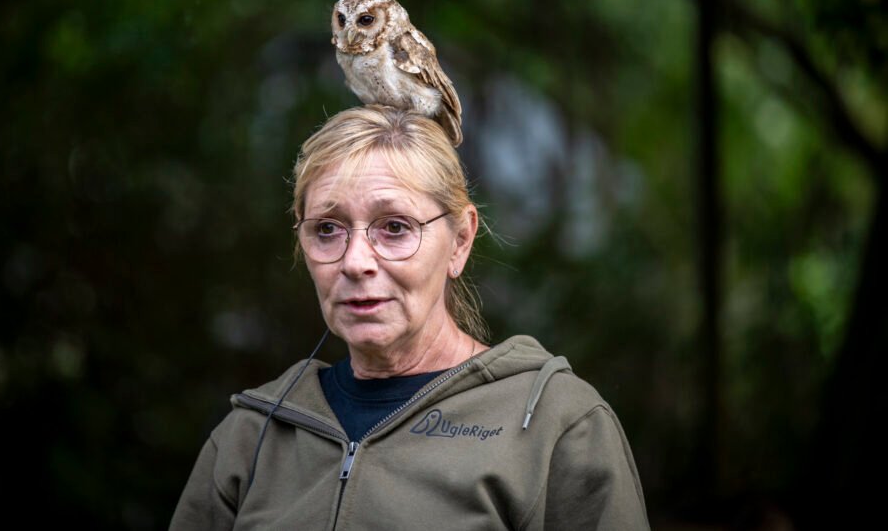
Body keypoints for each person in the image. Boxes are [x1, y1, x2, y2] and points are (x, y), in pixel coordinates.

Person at [170, 105, 649, 530]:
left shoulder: (556, 426)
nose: (356, 261)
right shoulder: (252, 434)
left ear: (460, 240)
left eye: (395, 228)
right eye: (328, 229)